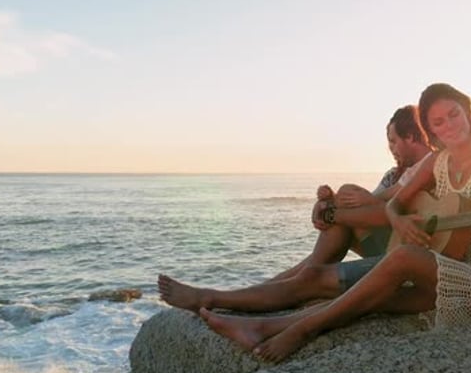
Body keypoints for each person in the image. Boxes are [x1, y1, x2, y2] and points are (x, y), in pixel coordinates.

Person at [198, 82, 471, 363]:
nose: (449, 125)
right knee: (366, 299)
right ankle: (259, 328)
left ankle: (302, 331)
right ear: (431, 130)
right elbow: (394, 204)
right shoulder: (437, 161)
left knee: (400, 259)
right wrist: (402, 223)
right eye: (438, 121)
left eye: (454, 113)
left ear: (467, 110)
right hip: (441, 272)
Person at [158, 105, 432, 313]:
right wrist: (328, 203)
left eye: (394, 142)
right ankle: (266, 292)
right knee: (322, 249)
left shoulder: (429, 168)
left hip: (405, 251)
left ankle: (248, 295)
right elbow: (365, 210)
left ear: (411, 136)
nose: (391, 149)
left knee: (315, 264)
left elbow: (380, 212)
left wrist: (332, 211)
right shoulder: (393, 175)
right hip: (388, 243)